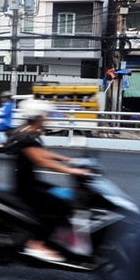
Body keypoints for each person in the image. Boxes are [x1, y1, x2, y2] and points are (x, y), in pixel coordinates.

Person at [12, 99, 89, 262]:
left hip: (31, 182)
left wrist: (67, 159)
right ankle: (35, 242)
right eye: (45, 116)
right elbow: (42, 161)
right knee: (60, 206)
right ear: (38, 117)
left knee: (65, 196)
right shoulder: (25, 136)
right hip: (26, 187)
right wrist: (72, 170)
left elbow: (43, 153)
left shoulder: (29, 132)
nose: (47, 118)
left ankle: (58, 237)